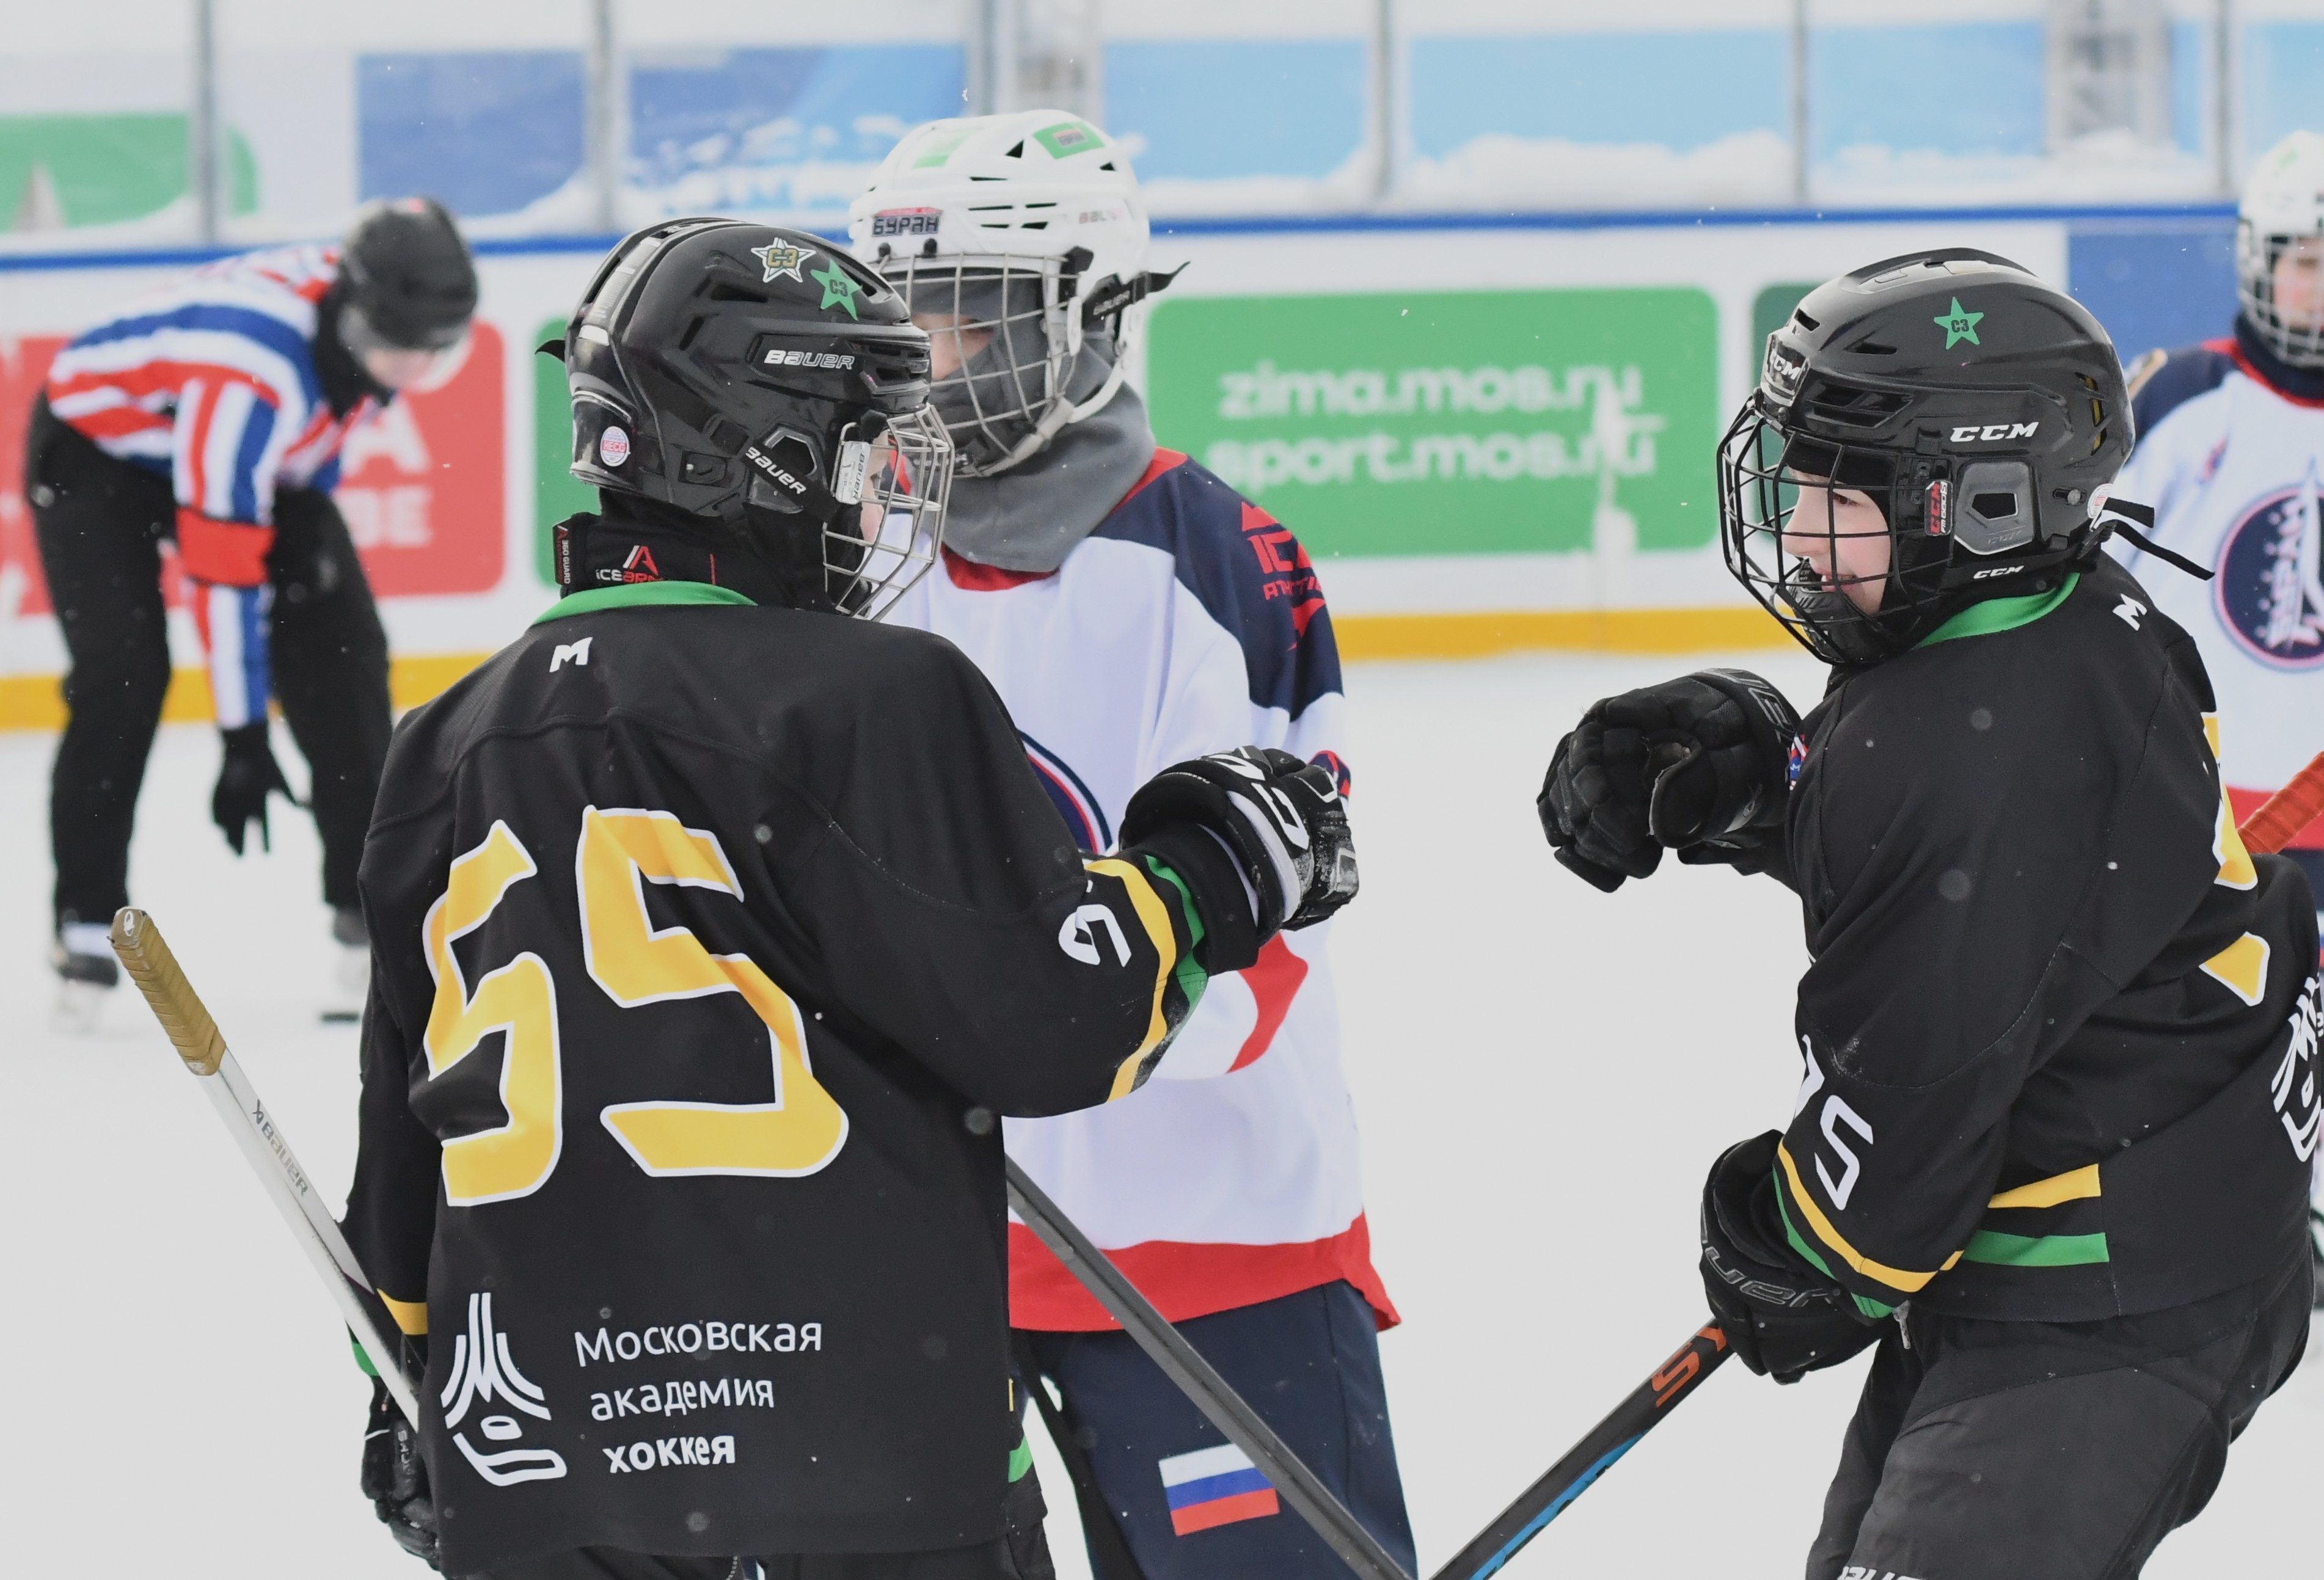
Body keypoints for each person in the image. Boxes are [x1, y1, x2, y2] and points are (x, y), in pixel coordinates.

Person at [338, 217, 1358, 1580]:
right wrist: (1208, 868)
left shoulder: (447, 741)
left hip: (552, 1475)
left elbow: (404, 1172)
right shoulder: (873, 697)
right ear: (765, 452)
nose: (878, 504)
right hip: (860, 1460)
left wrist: (405, 1383)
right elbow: (1054, 1021)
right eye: (861, 454)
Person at [1538, 249, 2323, 1579]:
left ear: (1980, 505)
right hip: (2112, 1211)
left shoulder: (1972, 739)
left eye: (1833, 501)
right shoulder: (2043, 614)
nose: (1796, 537)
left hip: (2111, 1281)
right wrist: (1766, 781)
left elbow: (1897, 1139)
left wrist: (1802, 1242)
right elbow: (2015, 889)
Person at [848, 112, 1414, 1580]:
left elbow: (1269, 923)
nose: (924, 359)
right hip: (922, 1262)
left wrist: (1026, 1036)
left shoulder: (1219, 565)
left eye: (968, 318)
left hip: (1204, 1245)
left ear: (1090, 312)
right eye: (903, 317)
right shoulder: (854, 559)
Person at [2110, 131, 2324, 1309]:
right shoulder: (2184, 397)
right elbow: (2104, 574)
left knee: (2305, 1011)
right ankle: (2131, 1194)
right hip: (2180, 783)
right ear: (2259, 264)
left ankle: (2274, 1208)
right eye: (2305, 262)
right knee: (2147, 998)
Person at [31, 197, 479, 1023]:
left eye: (431, 356)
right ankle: (86, 921)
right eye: (395, 351)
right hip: (100, 450)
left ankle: (367, 914)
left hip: (235, 446)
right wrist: (242, 736)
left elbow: (307, 468)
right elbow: (223, 572)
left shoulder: (373, 332)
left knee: (346, 657)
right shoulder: (252, 373)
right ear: (354, 317)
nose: (408, 374)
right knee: (123, 673)